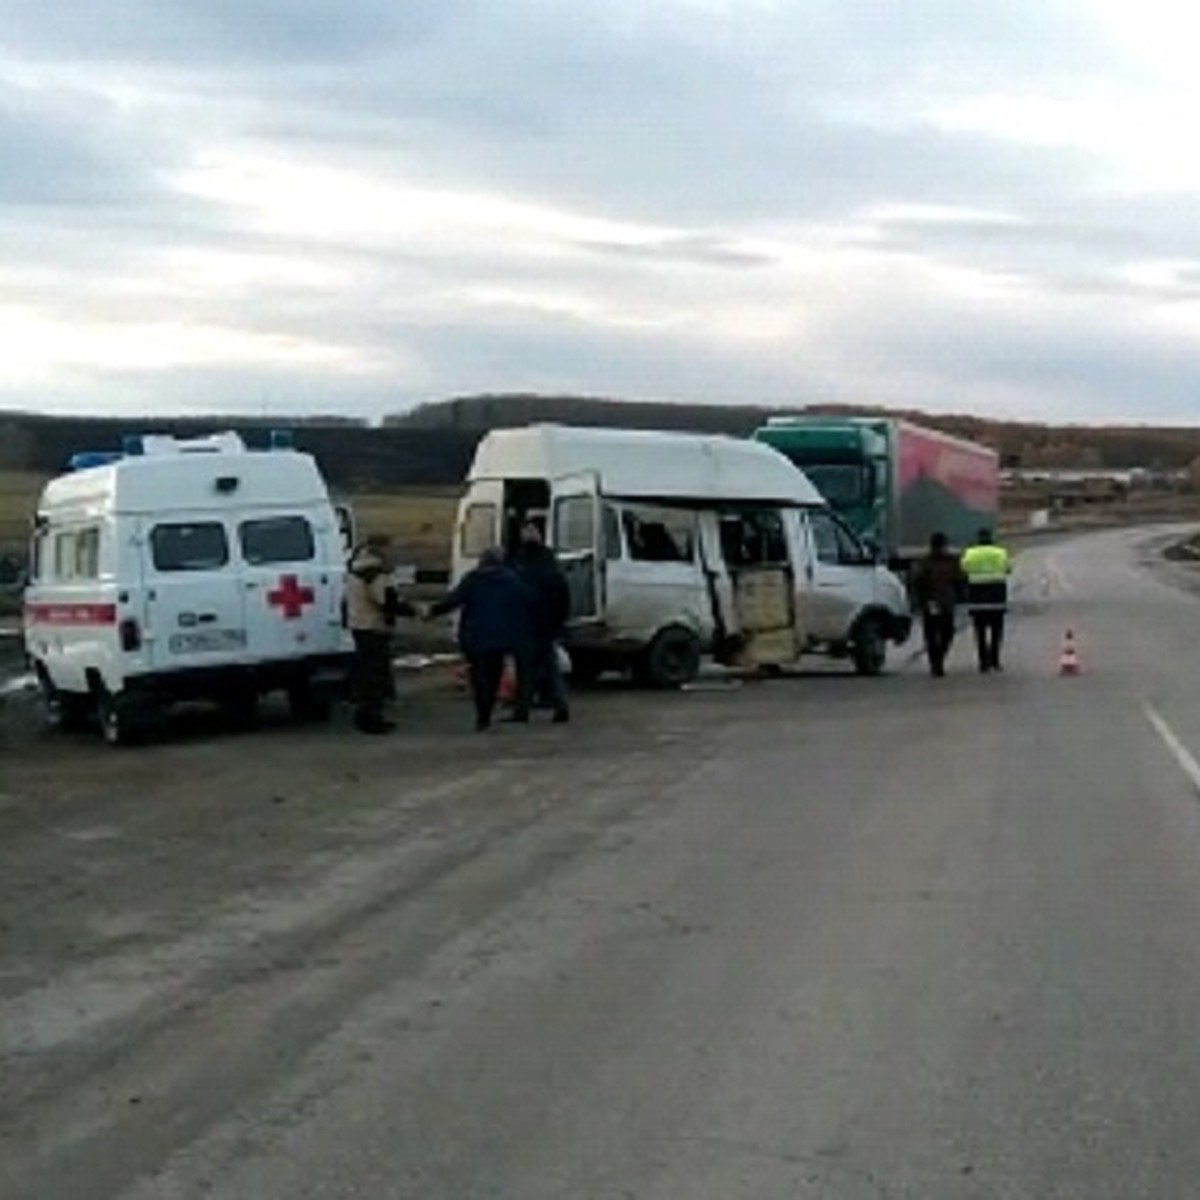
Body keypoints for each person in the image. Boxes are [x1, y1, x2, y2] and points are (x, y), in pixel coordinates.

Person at [428, 547, 534, 731]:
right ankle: (487, 709)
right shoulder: (513, 580)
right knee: (494, 675)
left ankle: (482, 713)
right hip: (501, 637)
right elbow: (529, 602)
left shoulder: (473, 580)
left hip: (475, 636)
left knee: (478, 676)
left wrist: (431, 611)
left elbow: (454, 600)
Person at [345, 533, 413, 733]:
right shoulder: (374, 572)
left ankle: (364, 717)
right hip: (373, 627)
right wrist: (412, 611)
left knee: (365, 676)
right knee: (374, 677)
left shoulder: (356, 568)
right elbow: (386, 601)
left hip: (358, 625)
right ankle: (372, 720)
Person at [509, 520, 571, 723]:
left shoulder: (520, 561)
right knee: (548, 668)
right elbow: (563, 593)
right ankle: (558, 705)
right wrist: (560, 622)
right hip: (544, 624)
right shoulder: (548, 560)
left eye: (530, 531)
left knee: (526, 670)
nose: (527, 534)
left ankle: (523, 709)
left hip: (530, 623)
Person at [910, 532, 966, 677]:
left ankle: (938, 658)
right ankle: (935, 662)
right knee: (932, 632)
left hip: (945, 601)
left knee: (946, 632)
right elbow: (916, 582)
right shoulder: (925, 562)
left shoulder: (951, 561)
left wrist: (960, 595)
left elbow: (960, 580)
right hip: (932, 602)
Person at [961, 527, 1012, 673]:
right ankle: (995, 660)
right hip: (996, 595)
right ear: (991, 538)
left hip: (977, 596)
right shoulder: (1000, 552)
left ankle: (983, 662)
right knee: (997, 630)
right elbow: (1008, 568)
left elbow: (964, 569)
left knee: (980, 631)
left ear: (978, 539)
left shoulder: (971, 553)